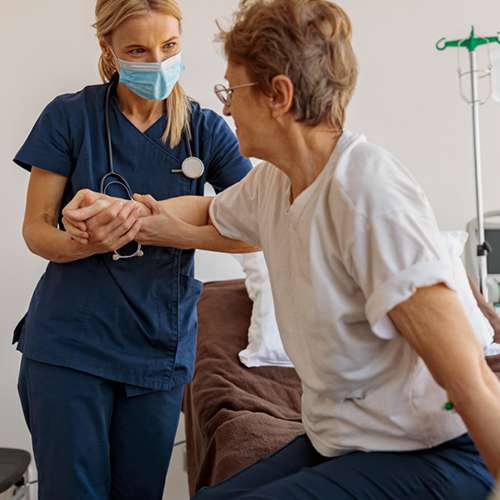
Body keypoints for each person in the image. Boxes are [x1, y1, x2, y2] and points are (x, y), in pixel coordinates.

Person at [64, 0, 500, 498]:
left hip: (430, 453)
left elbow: (471, 378)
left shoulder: (366, 193)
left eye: (233, 89)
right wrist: (119, 213)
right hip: (344, 442)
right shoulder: (276, 182)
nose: (225, 107)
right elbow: (208, 212)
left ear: (279, 94)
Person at [13, 1, 253, 499]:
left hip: (156, 352)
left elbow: (257, 229)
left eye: (169, 47)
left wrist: (163, 229)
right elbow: (36, 231)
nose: (157, 62)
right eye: (138, 51)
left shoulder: (205, 130)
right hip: (69, 345)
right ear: (109, 50)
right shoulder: (70, 116)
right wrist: (85, 242)